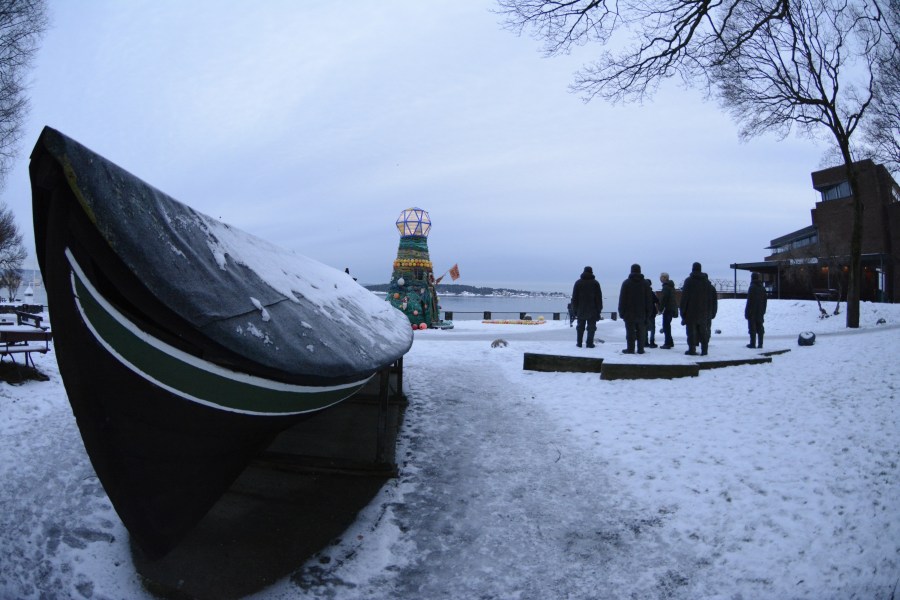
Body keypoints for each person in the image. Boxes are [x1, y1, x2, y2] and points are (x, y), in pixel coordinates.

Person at [679, 262, 715, 356]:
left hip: (691, 312)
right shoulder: (707, 283)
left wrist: (683, 312)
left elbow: (684, 298)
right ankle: (704, 350)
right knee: (703, 331)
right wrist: (709, 312)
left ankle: (692, 349)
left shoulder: (689, 281)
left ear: (692, 268)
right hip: (703, 311)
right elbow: (710, 299)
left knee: (691, 332)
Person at [618, 264, 652, 354]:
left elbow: (622, 299)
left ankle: (630, 349)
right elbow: (649, 300)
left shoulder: (626, 283)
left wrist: (621, 312)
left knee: (630, 332)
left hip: (629, 313)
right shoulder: (645, 283)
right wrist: (648, 313)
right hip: (642, 312)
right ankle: (640, 349)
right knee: (641, 332)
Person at [571, 266, 603, 348]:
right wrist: (599, 310)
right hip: (593, 310)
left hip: (580, 309)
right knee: (591, 327)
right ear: (592, 272)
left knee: (580, 327)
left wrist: (574, 310)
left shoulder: (578, 283)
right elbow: (599, 299)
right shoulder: (595, 283)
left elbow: (574, 298)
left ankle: (579, 343)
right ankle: (589, 343)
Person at [745, 272, 768, 348]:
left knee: (752, 328)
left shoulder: (752, 287)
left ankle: (753, 343)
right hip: (760, 311)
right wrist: (763, 311)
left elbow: (749, 301)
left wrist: (747, 312)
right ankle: (760, 344)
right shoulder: (762, 288)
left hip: (752, 311)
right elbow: (765, 301)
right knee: (760, 327)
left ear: (752, 278)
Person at [659, 272, 678, 348]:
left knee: (666, 326)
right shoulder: (671, 286)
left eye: (661, 277)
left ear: (665, 278)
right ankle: (670, 342)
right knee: (667, 326)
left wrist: (660, 309)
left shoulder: (666, 287)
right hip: (672, 308)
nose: (660, 279)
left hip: (668, 308)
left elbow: (664, 299)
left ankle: (667, 343)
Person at [644, 278, 660, 348]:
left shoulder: (642, 293)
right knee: (652, 327)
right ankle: (652, 342)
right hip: (652, 312)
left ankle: (645, 342)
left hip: (644, 312)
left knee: (644, 327)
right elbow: (657, 300)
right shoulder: (651, 293)